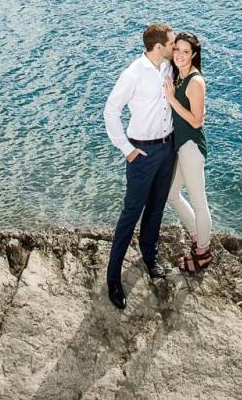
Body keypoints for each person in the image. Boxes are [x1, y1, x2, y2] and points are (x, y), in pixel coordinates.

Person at [101, 23, 177, 309]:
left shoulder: (168, 68)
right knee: (131, 213)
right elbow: (110, 110)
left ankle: (149, 255)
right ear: (159, 47)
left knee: (156, 207)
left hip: (167, 149)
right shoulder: (133, 74)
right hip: (142, 153)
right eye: (171, 44)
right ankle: (113, 278)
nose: (174, 48)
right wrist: (127, 149)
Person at [163, 30, 212, 272]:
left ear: (193, 54)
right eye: (177, 50)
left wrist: (172, 99)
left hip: (191, 147)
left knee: (199, 202)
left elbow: (196, 121)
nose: (180, 55)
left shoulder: (195, 81)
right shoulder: (178, 75)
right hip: (180, 146)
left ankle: (203, 252)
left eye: (185, 51)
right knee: (172, 194)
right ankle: (197, 237)